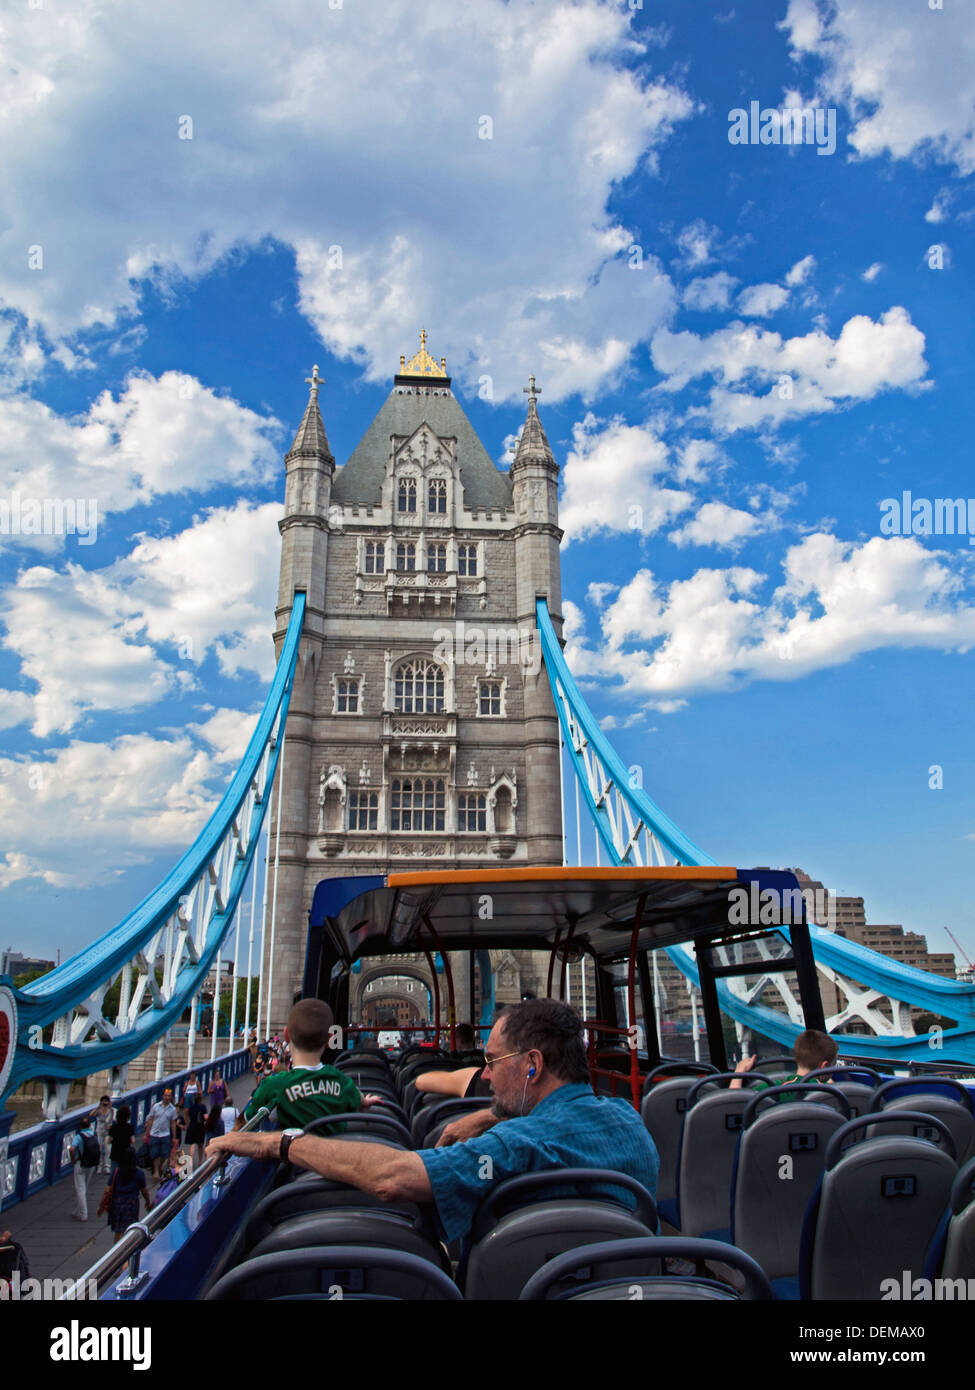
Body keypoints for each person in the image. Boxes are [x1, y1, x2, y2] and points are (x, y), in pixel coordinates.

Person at [209, 999, 659, 1244]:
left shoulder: (514, 1146)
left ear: (532, 1065)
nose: (484, 1074)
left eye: (492, 1061)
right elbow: (561, 1124)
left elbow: (393, 1178)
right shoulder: (630, 1119)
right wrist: (489, 1113)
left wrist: (282, 1144)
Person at [234, 998, 380, 1131]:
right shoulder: (340, 1080)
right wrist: (366, 1101)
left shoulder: (274, 1085)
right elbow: (360, 1101)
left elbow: (246, 1119)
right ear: (330, 1039)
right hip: (334, 1155)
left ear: (286, 1035)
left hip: (294, 1157)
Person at [730, 1028, 839, 1090]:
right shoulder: (833, 1093)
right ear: (824, 1066)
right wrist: (825, 1077)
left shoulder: (774, 1089)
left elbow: (736, 1102)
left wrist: (739, 1070)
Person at [103, 1148, 152, 1242]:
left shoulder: (116, 1172)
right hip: (131, 1204)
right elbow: (144, 1191)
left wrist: (103, 1204)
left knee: (118, 1231)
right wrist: (148, 1202)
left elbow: (107, 1190)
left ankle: (116, 1251)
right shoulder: (139, 1174)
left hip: (117, 1204)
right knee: (130, 1230)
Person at [67, 1115, 99, 1221]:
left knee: (80, 1189)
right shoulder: (94, 1134)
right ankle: (77, 1210)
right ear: (90, 1125)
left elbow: (72, 1149)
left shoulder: (78, 1136)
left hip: (81, 1164)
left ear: (80, 1126)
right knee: (84, 1187)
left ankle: (83, 1214)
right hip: (92, 1164)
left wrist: (73, 1159)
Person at [144, 1088, 179, 1183]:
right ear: (162, 1096)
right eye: (166, 1095)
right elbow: (150, 1119)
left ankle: (159, 1166)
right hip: (154, 1133)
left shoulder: (172, 1109)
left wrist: (174, 1136)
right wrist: (146, 1133)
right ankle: (156, 1172)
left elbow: (173, 1123)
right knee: (155, 1153)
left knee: (164, 1153)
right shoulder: (155, 1107)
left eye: (169, 1096)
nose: (167, 1097)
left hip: (165, 1134)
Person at [183, 1091, 208, 1172]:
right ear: (200, 1099)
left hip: (192, 1126)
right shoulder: (203, 1106)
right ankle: (200, 1161)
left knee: (192, 1145)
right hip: (200, 1127)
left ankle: (191, 1162)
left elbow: (188, 1115)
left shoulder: (191, 1107)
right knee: (200, 1145)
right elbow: (205, 1117)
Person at [108, 1104, 135, 1175]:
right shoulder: (130, 1127)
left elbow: (108, 1141)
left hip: (115, 1152)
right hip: (126, 1153)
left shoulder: (113, 1127)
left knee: (114, 1174)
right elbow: (133, 1141)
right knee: (125, 1173)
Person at [92, 1095, 115, 1175]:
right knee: (100, 1149)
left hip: (107, 1133)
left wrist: (110, 1107)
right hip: (99, 1132)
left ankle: (107, 1167)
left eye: (106, 1102)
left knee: (108, 1150)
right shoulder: (98, 1111)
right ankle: (99, 1166)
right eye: (103, 1102)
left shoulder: (111, 1111)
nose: (105, 1104)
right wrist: (98, 1107)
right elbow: (91, 1115)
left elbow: (111, 1121)